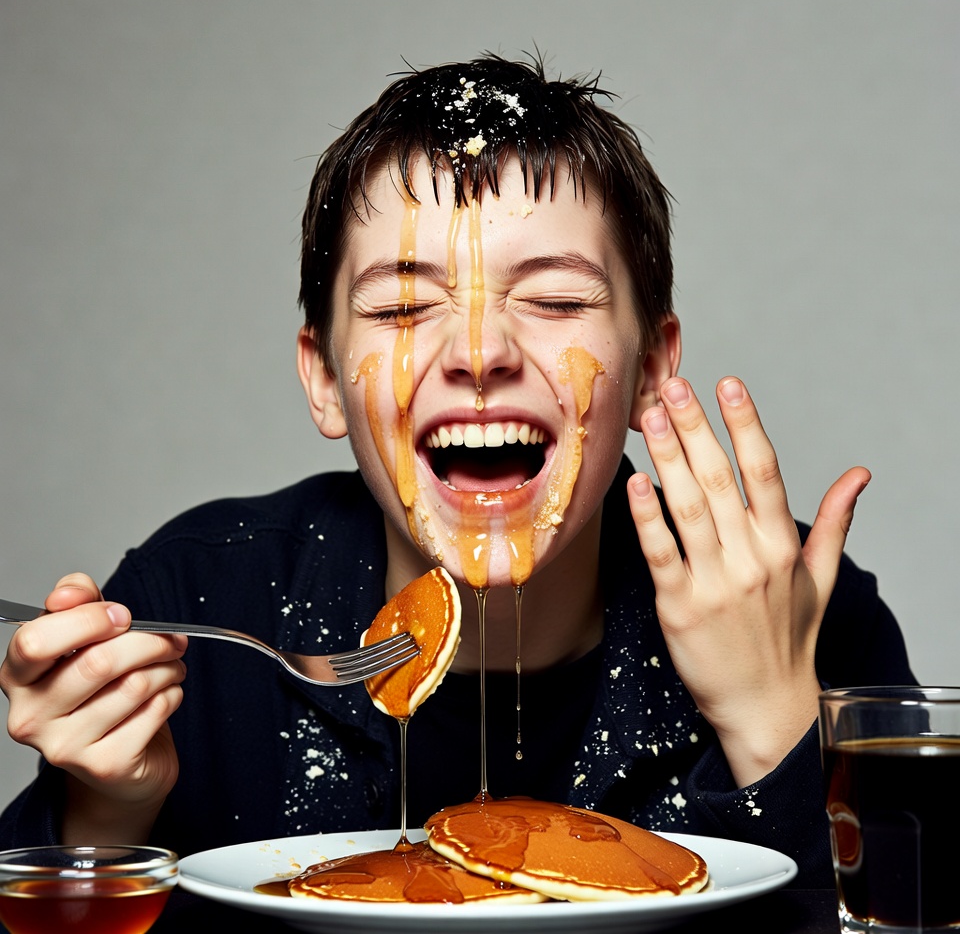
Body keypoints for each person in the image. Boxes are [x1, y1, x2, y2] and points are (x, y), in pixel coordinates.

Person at [0, 55, 913, 887]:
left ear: (650, 368)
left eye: (556, 298)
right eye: (403, 306)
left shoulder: (804, 612)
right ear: (323, 381)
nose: (479, 351)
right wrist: (107, 815)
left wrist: (772, 721)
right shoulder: (198, 605)